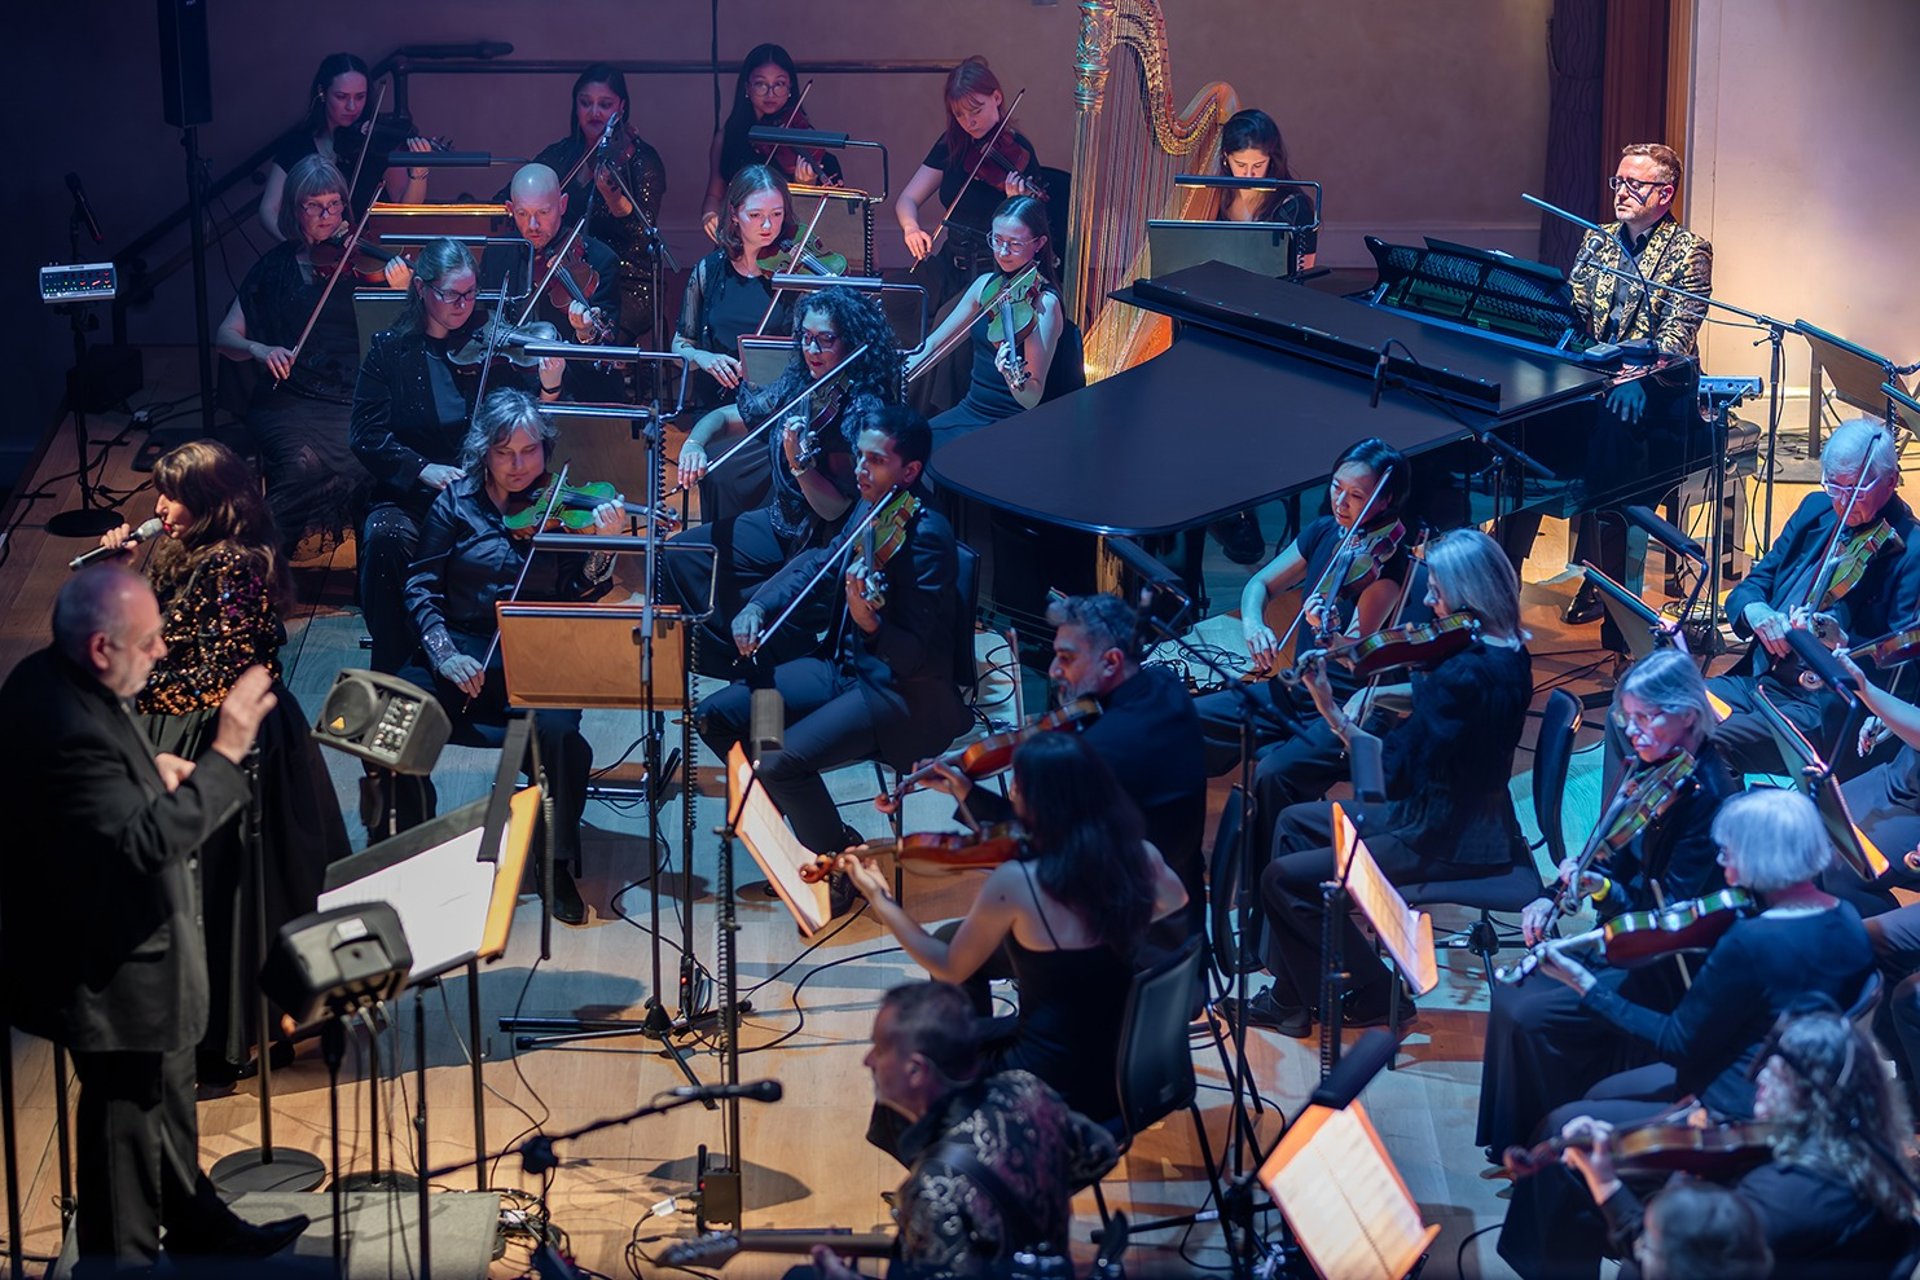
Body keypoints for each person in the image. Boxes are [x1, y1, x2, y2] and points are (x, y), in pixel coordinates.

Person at [0, 567, 310, 1273]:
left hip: (129, 963)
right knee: (126, 1141)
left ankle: (200, 1227)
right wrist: (225, 752)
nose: (164, 651)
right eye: (150, 642)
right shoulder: (63, 725)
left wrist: (149, 767)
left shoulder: (51, 677)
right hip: (111, 976)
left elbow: (106, 779)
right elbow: (143, 845)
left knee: (163, 1110)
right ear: (103, 648)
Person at [1497, 788, 1880, 1279]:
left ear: (1763, 856)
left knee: (1560, 1137)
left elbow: (1677, 1041)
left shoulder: (1751, 942)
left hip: (1739, 1109)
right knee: (1603, 1093)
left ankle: (1579, 1254)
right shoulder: (1846, 916)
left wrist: (1585, 984)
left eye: (1730, 850)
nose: (1721, 859)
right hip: (1798, 1087)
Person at [95, 440, 348, 1084]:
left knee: (226, 892)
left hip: (226, 738)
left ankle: (228, 1034)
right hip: (181, 724)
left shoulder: (235, 566)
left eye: (174, 496)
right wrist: (125, 571)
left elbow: (203, 672)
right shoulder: (183, 549)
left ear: (211, 502)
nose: (160, 506)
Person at [1224, 529, 1534, 1036]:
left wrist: (1333, 714)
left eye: (1436, 591)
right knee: (1292, 822)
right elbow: (1438, 693)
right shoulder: (1508, 647)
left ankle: (1374, 990)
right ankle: (1291, 997)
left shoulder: (1466, 674)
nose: (1430, 604)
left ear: (1470, 594)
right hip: (1467, 810)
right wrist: (1355, 657)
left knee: (1280, 879)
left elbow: (1385, 778)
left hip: (1441, 833)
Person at [840, 733, 1189, 1127]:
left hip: (1049, 1076)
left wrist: (881, 899)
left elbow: (950, 966)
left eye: (1018, 787)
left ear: (1039, 803)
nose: (1014, 796)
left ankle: (959, 1176)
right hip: (1121, 1057)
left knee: (915, 1064)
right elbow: (1174, 902)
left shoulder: (1018, 883)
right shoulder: (1137, 854)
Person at [1476, 649, 1741, 1156]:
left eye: (1647, 718)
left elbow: (1671, 916)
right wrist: (1559, 888)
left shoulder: (1707, 798)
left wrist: (1601, 891)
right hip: (1623, 933)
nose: (1634, 731)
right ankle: (1514, 1142)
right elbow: (1608, 849)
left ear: (1688, 713)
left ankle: (1551, 1145)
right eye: (1628, 718)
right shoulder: (1652, 766)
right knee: (1512, 994)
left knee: (1531, 1013)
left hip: (1661, 960)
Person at [695, 406, 970, 873]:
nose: (861, 470)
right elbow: (820, 563)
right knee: (715, 716)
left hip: (892, 691)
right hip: (840, 668)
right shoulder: (871, 504)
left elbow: (914, 657)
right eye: (860, 457)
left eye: (876, 461)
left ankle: (836, 860)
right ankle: (801, 824)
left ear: (911, 470)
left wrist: (871, 625)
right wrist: (759, 605)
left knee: (778, 761)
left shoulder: (926, 537)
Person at [400, 388, 628, 925]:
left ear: (546, 452)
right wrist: (444, 654)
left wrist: (605, 546)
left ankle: (553, 864)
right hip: (464, 646)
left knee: (558, 737)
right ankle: (416, 847)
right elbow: (420, 584)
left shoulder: (563, 506)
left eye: (530, 451)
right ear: (486, 452)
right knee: (397, 721)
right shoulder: (454, 503)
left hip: (538, 647)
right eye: (505, 453)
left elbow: (583, 592)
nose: (519, 465)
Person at [1625, 418, 1920, 778]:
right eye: (1833, 486)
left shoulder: (1910, 551)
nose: (1842, 503)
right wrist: (1757, 611)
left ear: (1889, 481)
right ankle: (1630, 831)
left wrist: (1838, 643)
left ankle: (1723, 834)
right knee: (1644, 708)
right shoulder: (1816, 510)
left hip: (1815, 707)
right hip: (1756, 680)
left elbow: (1897, 670)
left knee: (1707, 743)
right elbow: (1753, 584)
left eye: (1855, 491)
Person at [1533, 1008, 1920, 1280]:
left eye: (1776, 1073)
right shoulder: (1868, 1143)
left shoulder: (1782, 1195)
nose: (1761, 1078)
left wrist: (1605, 1180)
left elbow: (1661, 1257)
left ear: (1808, 1095)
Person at [901, 592, 1209, 935]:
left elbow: (1033, 845)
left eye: (1066, 658)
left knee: (951, 940)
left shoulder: (1095, 755)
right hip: (1185, 900)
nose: (1053, 670)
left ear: (1111, 661)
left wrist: (975, 797)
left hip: (1121, 927)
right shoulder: (1166, 685)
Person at [1523, 143, 1713, 639]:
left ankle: (1611, 600)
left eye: (1635, 185)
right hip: (1601, 383)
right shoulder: (1599, 240)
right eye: (1618, 182)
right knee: (1521, 428)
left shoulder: (1690, 251)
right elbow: (1577, 317)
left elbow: (1676, 339)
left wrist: (1632, 377)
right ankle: (1500, 582)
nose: (1622, 193)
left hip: (1664, 395)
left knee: (1616, 435)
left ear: (1665, 194)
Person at [1193, 438, 1415, 863]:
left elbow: (1356, 651)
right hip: (1297, 689)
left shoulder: (1388, 565)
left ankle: (1269, 876)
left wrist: (1324, 632)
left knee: (1275, 775)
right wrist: (1255, 624)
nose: (1341, 503)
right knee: (1191, 719)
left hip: (1345, 708)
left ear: (1386, 501)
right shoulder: (1324, 533)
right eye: (1336, 488)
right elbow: (1260, 584)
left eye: (1357, 496)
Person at [667, 287, 906, 678]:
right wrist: (695, 443)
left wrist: (799, 465)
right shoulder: (801, 381)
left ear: (852, 341)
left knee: (766, 602)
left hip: (821, 542)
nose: (812, 349)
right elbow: (728, 416)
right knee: (679, 555)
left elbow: (835, 509)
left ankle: (781, 673)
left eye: (826, 339)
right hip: (782, 523)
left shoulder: (864, 408)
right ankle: (728, 664)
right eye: (806, 337)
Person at [804, 982, 1117, 1280]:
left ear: (916, 1071)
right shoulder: (1024, 1088)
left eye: (880, 1049)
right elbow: (1101, 1151)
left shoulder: (934, 1188)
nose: (867, 1060)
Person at [351, 238, 564, 676]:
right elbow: (366, 434)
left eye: (470, 294)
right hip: (416, 493)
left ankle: (504, 661)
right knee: (385, 536)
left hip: (488, 491)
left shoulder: (494, 343)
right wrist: (423, 469)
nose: (464, 305)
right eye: (451, 294)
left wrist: (551, 384)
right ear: (422, 290)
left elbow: (530, 423)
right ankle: (398, 663)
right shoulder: (390, 350)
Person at [216, 154, 390, 556]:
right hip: (291, 398)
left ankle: (372, 584)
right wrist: (259, 348)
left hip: (353, 397)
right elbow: (226, 335)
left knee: (369, 463)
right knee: (300, 466)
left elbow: (400, 331)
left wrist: (399, 288)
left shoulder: (362, 262)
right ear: (296, 210)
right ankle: (266, 574)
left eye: (334, 204)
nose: (327, 216)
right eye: (314, 206)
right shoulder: (275, 268)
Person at [1199, 108, 1320, 563]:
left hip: (1271, 323)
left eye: (1259, 166)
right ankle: (1221, 500)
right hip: (1220, 318)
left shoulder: (1293, 203)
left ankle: (1238, 505)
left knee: (1236, 397)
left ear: (1274, 159)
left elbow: (1303, 274)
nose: (1249, 175)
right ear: (1225, 159)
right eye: (1240, 165)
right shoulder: (1209, 198)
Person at [894, 57, 1045, 417]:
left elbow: (1031, 227)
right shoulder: (952, 145)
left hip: (990, 271)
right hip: (949, 260)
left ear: (997, 98)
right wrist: (911, 227)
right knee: (897, 302)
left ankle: (924, 421)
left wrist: (1016, 202)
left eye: (975, 110)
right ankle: (892, 406)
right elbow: (907, 199)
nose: (969, 122)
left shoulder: (1018, 154)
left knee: (944, 332)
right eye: (960, 115)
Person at [907, 195, 1069, 450]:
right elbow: (936, 345)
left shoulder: (1043, 303)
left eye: (1014, 244)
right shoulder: (985, 286)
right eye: (997, 240)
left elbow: (1031, 398)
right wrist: (894, 374)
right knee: (907, 447)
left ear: (1039, 243)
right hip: (970, 411)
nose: (1003, 252)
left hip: (1012, 425)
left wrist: (1011, 376)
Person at [528, 64, 668, 348]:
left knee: (592, 333)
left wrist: (615, 198)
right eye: (585, 103)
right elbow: (516, 191)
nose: (594, 113)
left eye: (605, 105)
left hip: (626, 281)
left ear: (622, 107)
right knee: (538, 321)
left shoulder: (641, 160)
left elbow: (644, 236)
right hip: (568, 273)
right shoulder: (562, 155)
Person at [478, 162, 626, 403]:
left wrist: (584, 333)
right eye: (523, 214)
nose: (533, 226)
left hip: (577, 392)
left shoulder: (599, 260)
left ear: (562, 205)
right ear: (510, 209)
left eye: (543, 213)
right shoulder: (498, 253)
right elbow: (486, 320)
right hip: (513, 393)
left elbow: (603, 355)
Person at [259, 52, 429, 238]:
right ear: (322, 93)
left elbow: (404, 212)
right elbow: (269, 209)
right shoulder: (298, 145)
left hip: (369, 256)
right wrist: (298, 249)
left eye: (360, 97)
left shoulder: (377, 142)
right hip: (316, 258)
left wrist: (419, 172)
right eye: (341, 97)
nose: (352, 107)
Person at [673, 164, 797, 412]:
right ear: (733, 213)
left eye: (776, 214)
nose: (767, 226)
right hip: (714, 406)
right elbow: (680, 345)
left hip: (775, 406)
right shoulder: (708, 270)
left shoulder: (793, 275)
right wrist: (703, 358)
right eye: (755, 215)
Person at [701, 43, 841, 239]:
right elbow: (714, 195)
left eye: (779, 84)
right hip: (740, 241)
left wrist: (805, 186)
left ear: (790, 88)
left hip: (785, 247)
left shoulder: (799, 133)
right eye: (761, 84)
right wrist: (710, 215)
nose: (771, 93)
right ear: (747, 87)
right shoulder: (728, 136)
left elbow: (816, 225)